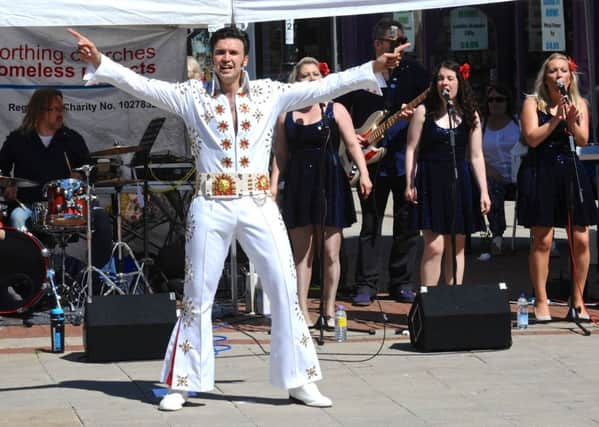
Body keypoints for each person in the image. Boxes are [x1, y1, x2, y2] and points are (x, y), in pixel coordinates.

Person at [68, 26, 407, 411]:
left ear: (245, 58)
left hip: (257, 201)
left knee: (284, 286)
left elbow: (324, 88)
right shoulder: (191, 95)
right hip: (210, 201)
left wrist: (373, 67)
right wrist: (101, 62)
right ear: (212, 58)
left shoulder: (269, 92)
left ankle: (299, 380)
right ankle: (183, 381)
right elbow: (143, 86)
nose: (226, 58)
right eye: (219, 53)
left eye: (233, 52)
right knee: (197, 295)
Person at [271, 57, 373, 329]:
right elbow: (280, 155)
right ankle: (301, 311)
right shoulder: (286, 113)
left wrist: (364, 172)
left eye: (316, 74)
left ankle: (328, 309)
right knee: (302, 254)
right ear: (296, 81)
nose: (311, 79)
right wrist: (273, 185)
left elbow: (352, 144)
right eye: (305, 75)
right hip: (299, 182)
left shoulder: (335, 109)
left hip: (330, 179)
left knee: (330, 252)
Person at [337, 18, 429, 306]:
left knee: (407, 223)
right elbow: (342, 111)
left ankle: (401, 281)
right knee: (371, 224)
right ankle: (367, 283)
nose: (397, 49)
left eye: (400, 43)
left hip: (404, 158)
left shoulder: (415, 72)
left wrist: (414, 115)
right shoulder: (362, 74)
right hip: (370, 160)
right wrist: (353, 135)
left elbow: (429, 107)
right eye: (391, 44)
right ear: (378, 44)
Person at [518, 53, 597, 322]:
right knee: (543, 238)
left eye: (563, 70)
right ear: (546, 76)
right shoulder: (532, 103)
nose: (558, 75)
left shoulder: (579, 103)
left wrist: (572, 119)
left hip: (570, 169)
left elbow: (584, 140)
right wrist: (555, 119)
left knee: (581, 238)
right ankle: (541, 300)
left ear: (570, 76)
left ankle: (578, 300)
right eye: (553, 71)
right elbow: (531, 138)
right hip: (541, 168)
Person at [0, 88, 112, 269]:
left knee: (102, 221)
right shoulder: (17, 139)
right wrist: (7, 187)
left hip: (66, 206)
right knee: (17, 221)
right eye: (56, 109)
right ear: (40, 111)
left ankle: (96, 276)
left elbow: (91, 168)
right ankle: (33, 275)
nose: (61, 114)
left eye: (62, 109)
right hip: (29, 205)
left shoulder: (71, 138)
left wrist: (81, 174)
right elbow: (1, 171)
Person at [405, 60, 491, 286]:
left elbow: (476, 155)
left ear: (459, 83)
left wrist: (483, 190)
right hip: (430, 178)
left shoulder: (470, 115)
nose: (445, 82)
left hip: (459, 179)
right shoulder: (423, 112)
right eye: (441, 78)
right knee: (434, 246)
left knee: (457, 245)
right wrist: (409, 181)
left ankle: (454, 300)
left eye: (450, 78)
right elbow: (412, 148)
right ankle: (429, 302)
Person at [481, 83, 521, 255]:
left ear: (507, 102)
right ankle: (497, 236)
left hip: (518, 173)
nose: (494, 103)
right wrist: (489, 170)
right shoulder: (481, 125)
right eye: (491, 100)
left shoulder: (517, 123)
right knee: (492, 186)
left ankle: (543, 234)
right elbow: (472, 154)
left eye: (499, 100)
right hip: (493, 175)